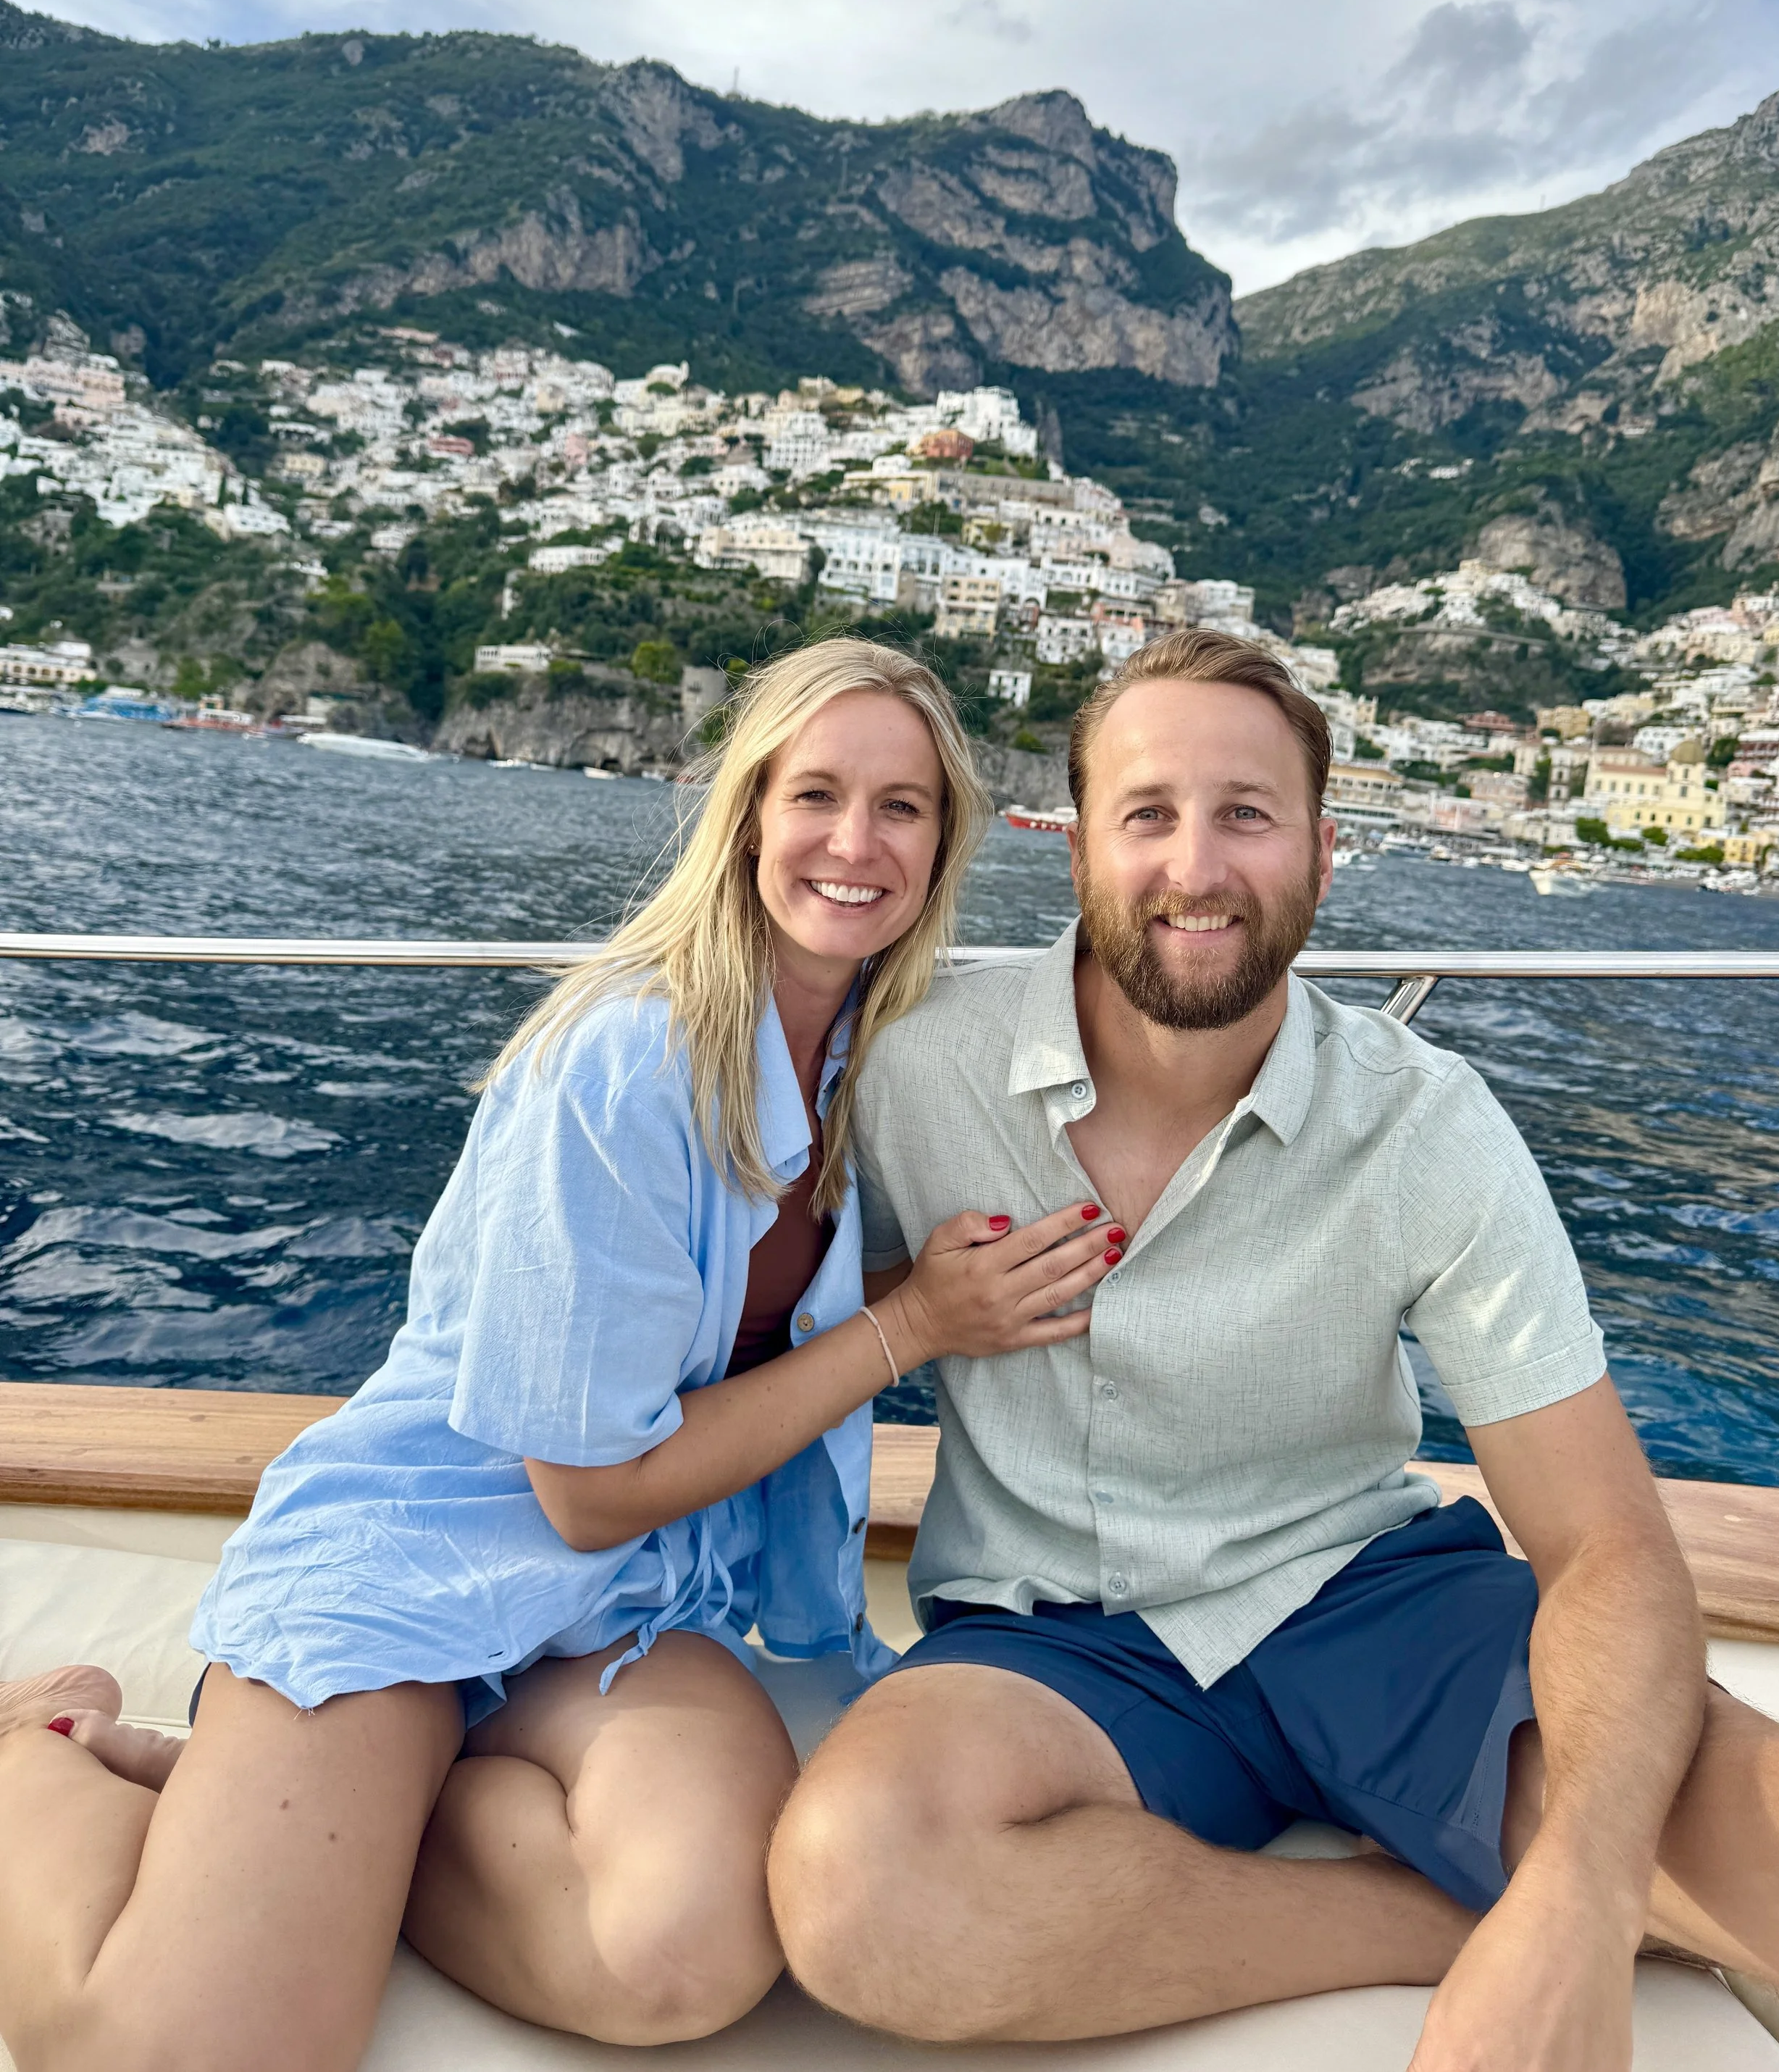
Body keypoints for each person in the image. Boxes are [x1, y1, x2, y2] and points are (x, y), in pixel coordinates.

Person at [0, 636, 1118, 2072]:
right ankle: (56, 1746)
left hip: (640, 1599)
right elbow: (586, 1489)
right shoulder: (624, 1063)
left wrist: (957, 1279)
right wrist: (912, 1325)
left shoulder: (866, 1053)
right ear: (746, 815)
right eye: (816, 794)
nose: (854, 841)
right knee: (171, 2051)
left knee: (679, 1955)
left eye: (901, 806)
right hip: (429, 1566)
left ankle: (324, 1825)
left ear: (943, 840)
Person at [769, 627, 1779, 2071]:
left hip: (1364, 1605)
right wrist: (915, 1304)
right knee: (859, 1886)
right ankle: (1446, 1914)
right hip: (1049, 1640)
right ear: (1073, 846)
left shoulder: (1422, 1126)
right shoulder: (915, 1069)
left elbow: (1605, 1544)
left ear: (1321, 855)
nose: (1193, 866)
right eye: (1146, 814)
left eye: (1243, 815)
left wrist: (1574, 1895)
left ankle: (1547, 1897)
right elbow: (760, 1313)